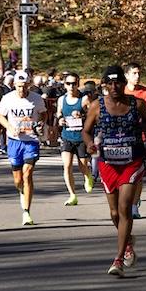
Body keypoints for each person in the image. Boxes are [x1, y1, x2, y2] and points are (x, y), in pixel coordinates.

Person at [83, 66, 146, 277]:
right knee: (114, 213)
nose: (115, 87)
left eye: (118, 83)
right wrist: (89, 145)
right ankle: (128, 242)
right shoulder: (97, 107)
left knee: (124, 208)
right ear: (104, 85)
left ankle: (118, 259)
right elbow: (86, 132)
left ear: (124, 84)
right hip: (108, 163)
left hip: (132, 161)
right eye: (110, 83)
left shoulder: (136, 104)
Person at [0, 71, 47, 225]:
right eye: (19, 87)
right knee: (18, 180)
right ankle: (21, 191)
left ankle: (26, 212)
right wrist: (9, 127)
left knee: (28, 174)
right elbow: (1, 116)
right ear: (14, 85)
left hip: (31, 140)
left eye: (24, 86)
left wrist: (40, 123)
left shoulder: (36, 99)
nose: (21, 90)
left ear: (29, 85)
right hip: (14, 141)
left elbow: (43, 114)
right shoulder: (8, 98)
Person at [124, 62, 146, 218]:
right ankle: (125, 201)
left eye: (139, 73)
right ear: (127, 75)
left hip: (141, 137)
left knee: (138, 173)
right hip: (123, 137)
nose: (137, 76)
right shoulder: (121, 92)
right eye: (134, 73)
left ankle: (134, 205)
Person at [56, 72, 94, 206]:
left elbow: (92, 115)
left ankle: (88, 175)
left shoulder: (84, 99)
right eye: (68, 84)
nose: (71, 86)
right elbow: (59, 113)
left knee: (82, 165)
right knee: (67, 166)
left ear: (78, 84)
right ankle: (72, 195)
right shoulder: (61, 99)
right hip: (67, 136)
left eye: (74, 83)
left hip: (81, 136)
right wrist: (60, 120)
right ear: (64, 85)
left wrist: (82, 115)